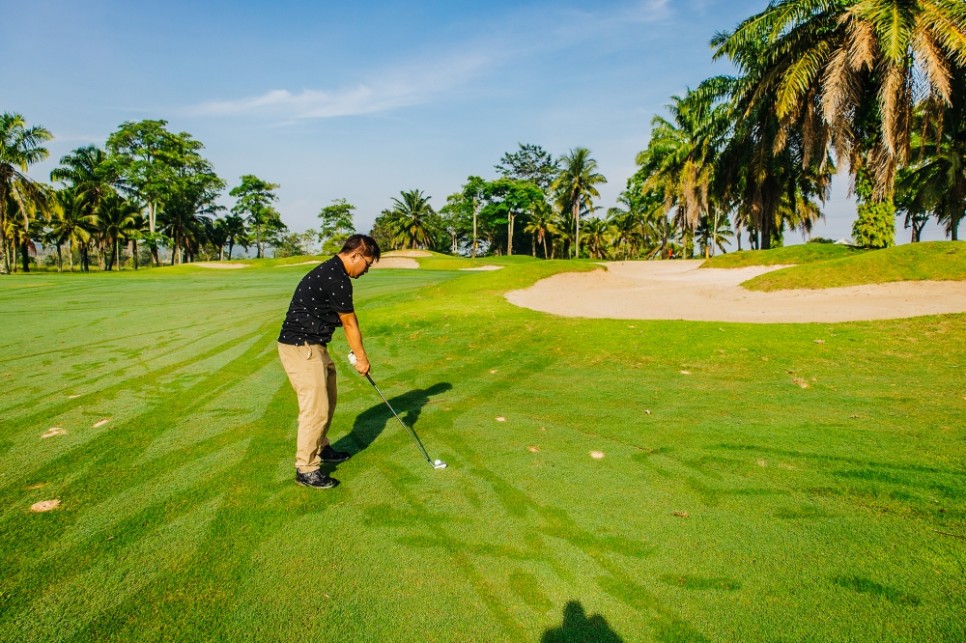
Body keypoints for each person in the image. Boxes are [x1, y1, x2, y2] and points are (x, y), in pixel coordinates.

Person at [277, 234, 380, 489]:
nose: (366, 270)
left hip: (315, 344)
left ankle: (321, 447)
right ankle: (307, 468)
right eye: (366, 264)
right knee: (316, 408)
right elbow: (349, 323)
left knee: (329, 399)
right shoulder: (337, 279)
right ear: (356, 255)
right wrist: (362, 359)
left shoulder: (335, 272)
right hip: (301, 346)